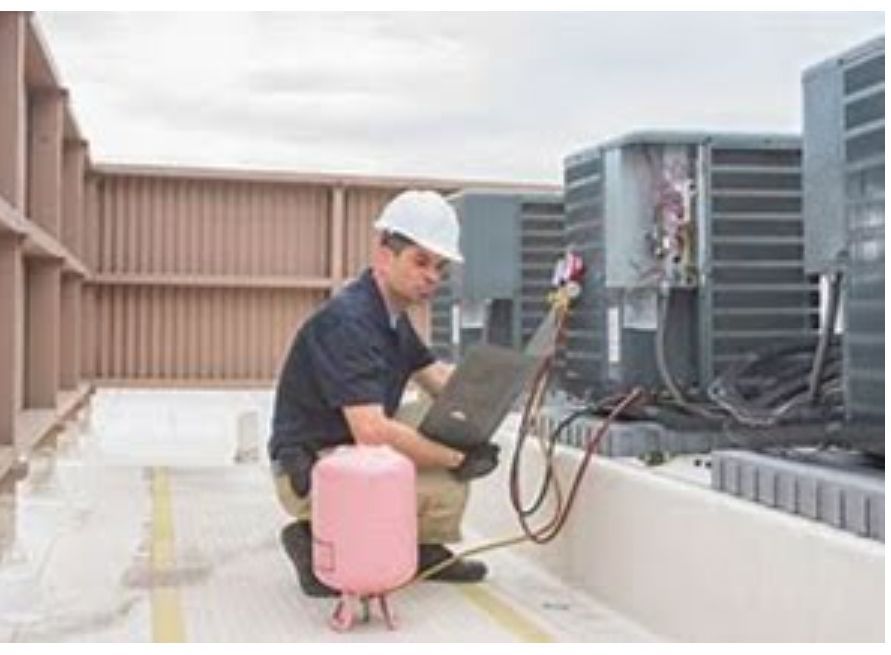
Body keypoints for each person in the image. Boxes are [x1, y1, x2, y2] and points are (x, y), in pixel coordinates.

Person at [268, 190, 500, 597]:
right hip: (310, 468)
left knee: (444, 422)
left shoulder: (390, 316)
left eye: (440, 267)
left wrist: (485, 410)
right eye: (421, 261)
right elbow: (372, 432)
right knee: (443, 474)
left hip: (345, 447)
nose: (432, 276)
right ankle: (313, 535)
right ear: (383, 256)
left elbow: (436, 381)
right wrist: (458, 457)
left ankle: (420, 548)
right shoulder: (350, 322)